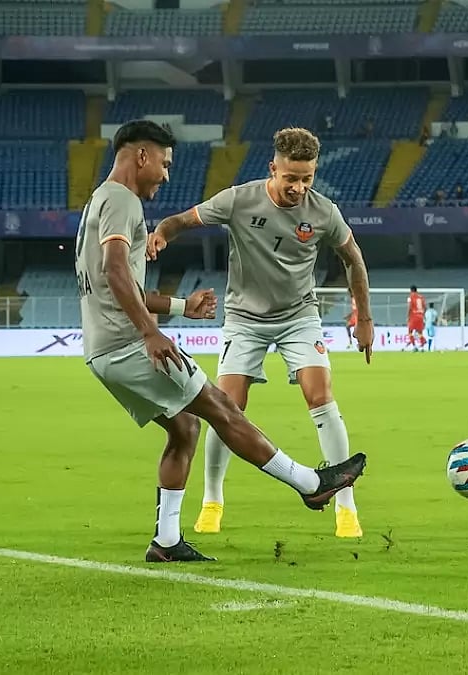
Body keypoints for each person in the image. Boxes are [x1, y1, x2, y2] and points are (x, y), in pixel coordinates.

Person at [81, 121, 366, 562]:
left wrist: (178, 307)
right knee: (222, 407)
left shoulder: (101, 199)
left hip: (103, 350)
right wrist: (151, 332)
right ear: (142, 156)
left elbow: (115, 286)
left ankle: (167, 541)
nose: (166, 174)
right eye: (164, 163)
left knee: (185, 427)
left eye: (306, 179)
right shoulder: (122, 200)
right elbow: (114, 274)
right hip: (129, 344)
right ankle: (312, 484)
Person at [149, 127, 375, 539]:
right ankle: (212, 500)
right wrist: (162, 233)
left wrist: (364, 319)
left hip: (299, 316)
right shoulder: (239, 199)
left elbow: (354, 260)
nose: (299, 187)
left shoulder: (324, 211)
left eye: (307, 178)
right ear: (273, 168)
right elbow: (184, 219)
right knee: (225, 405)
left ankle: (346, 504)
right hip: (245, 319)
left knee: (320, 394)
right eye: (291, 178)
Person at [408, 285, 426, 351]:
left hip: (413, 316)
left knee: (410, 332)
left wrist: (408, 316)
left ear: (411, 290)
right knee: (420, 333)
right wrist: (422, 314)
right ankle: (422, 348)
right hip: (420, 316)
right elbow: (425, 307)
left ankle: (414, 347)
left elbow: (409, 307)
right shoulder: (421, 297)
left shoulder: (411, 297)